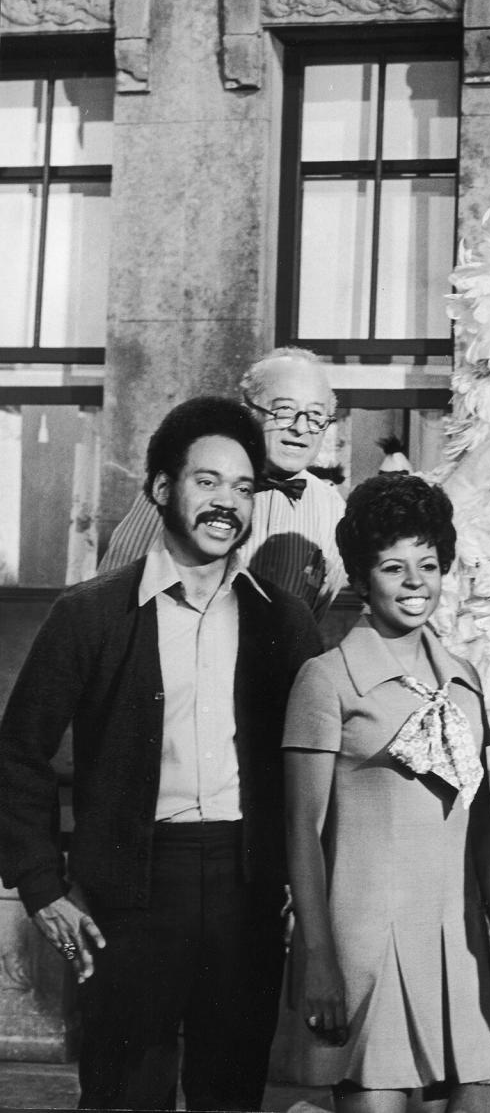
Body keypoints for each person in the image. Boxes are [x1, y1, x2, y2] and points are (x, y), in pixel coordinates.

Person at [0, 397, 323, 1111]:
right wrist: (42, 887)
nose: (227, 504)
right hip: (131, 893)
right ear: (160, 489)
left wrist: (310, 888)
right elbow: (16, 754)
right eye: (207, 481)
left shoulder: (285, 619)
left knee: (231, 1094)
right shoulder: (90, 614)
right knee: (122, 1095)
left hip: (247, 891)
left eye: (243, 489)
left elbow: (320, 760)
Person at [283, 473, 490, 1112]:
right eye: (394, 566)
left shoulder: (464, 681)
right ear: (362, 577)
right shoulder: (326, 680)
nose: (416, 581)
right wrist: (319, 960)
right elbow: (301, 832)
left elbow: (481, 827)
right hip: (363, 940)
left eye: (430, 564)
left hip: (455, 938)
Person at [99, 346, 346, 621]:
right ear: (248, 411)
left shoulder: (331, 508)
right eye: (284, 411)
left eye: (315, 417)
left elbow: (316, 613)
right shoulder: (183, 483)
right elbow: (113, 597)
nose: (300, 428)